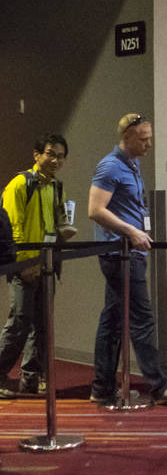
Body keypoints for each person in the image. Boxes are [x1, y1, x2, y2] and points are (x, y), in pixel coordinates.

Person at [88, 114, 167, 405]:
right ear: (128, 136)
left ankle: (102, 387)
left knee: (112, 320)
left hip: (129, 252)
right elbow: (95, 210)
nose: (149, 143)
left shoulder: (132, 165)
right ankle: (158, 386)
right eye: (144, 138)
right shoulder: (110, 166)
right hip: (120, 254)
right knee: (141, 318)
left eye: (150, 137)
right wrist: (132, 232)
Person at [0, 134, 76, 397]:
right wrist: (24, 264)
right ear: (37, 155)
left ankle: (31, 377)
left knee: (42, 325)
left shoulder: (57, 187)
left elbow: (58, 223)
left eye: (60, 156)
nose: (55, 160)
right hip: (24, 266)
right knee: (19, 322)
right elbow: (13, 228)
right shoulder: (21, 184)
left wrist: (65, 231)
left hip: (47, 265)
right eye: (50, 154)